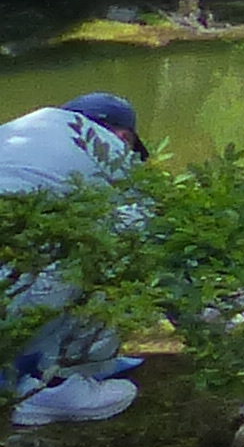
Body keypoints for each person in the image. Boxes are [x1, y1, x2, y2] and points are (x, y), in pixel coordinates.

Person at [0, 93, 147, 425]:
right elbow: (156, 244)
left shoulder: (15, 132)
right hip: (14, 295)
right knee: (124, 241)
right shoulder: (109, 151)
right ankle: (57, 385)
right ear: (123, 136)